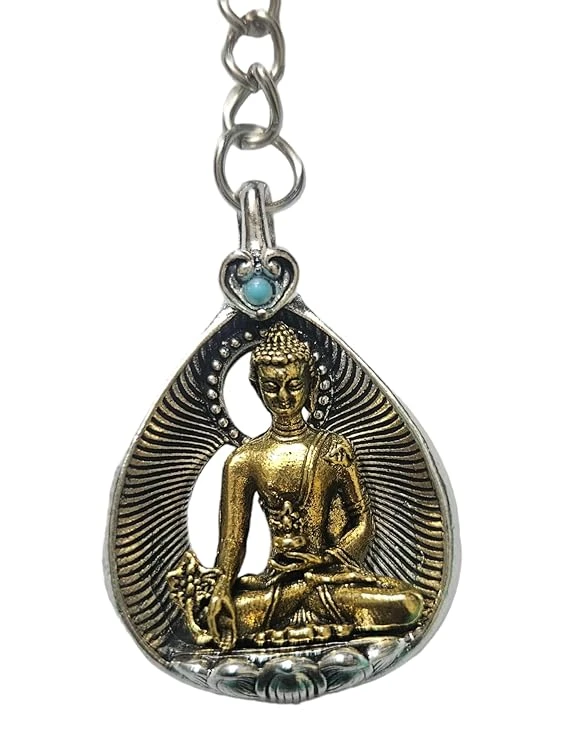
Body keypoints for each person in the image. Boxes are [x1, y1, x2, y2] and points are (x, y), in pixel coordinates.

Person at [168, 322, 423, 650]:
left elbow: (362, 521)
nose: (284, 397)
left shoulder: (333, 448)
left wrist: (323, 561)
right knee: (213, 614)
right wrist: (221, 589)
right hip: (276, 587)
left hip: (327, 579)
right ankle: (299, 601)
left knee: (408, 604)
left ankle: (302, 600)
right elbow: (232, 541)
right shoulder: (244, 460)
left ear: (310, 383)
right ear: (256, 387)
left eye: (294, 385)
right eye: (272, 387)